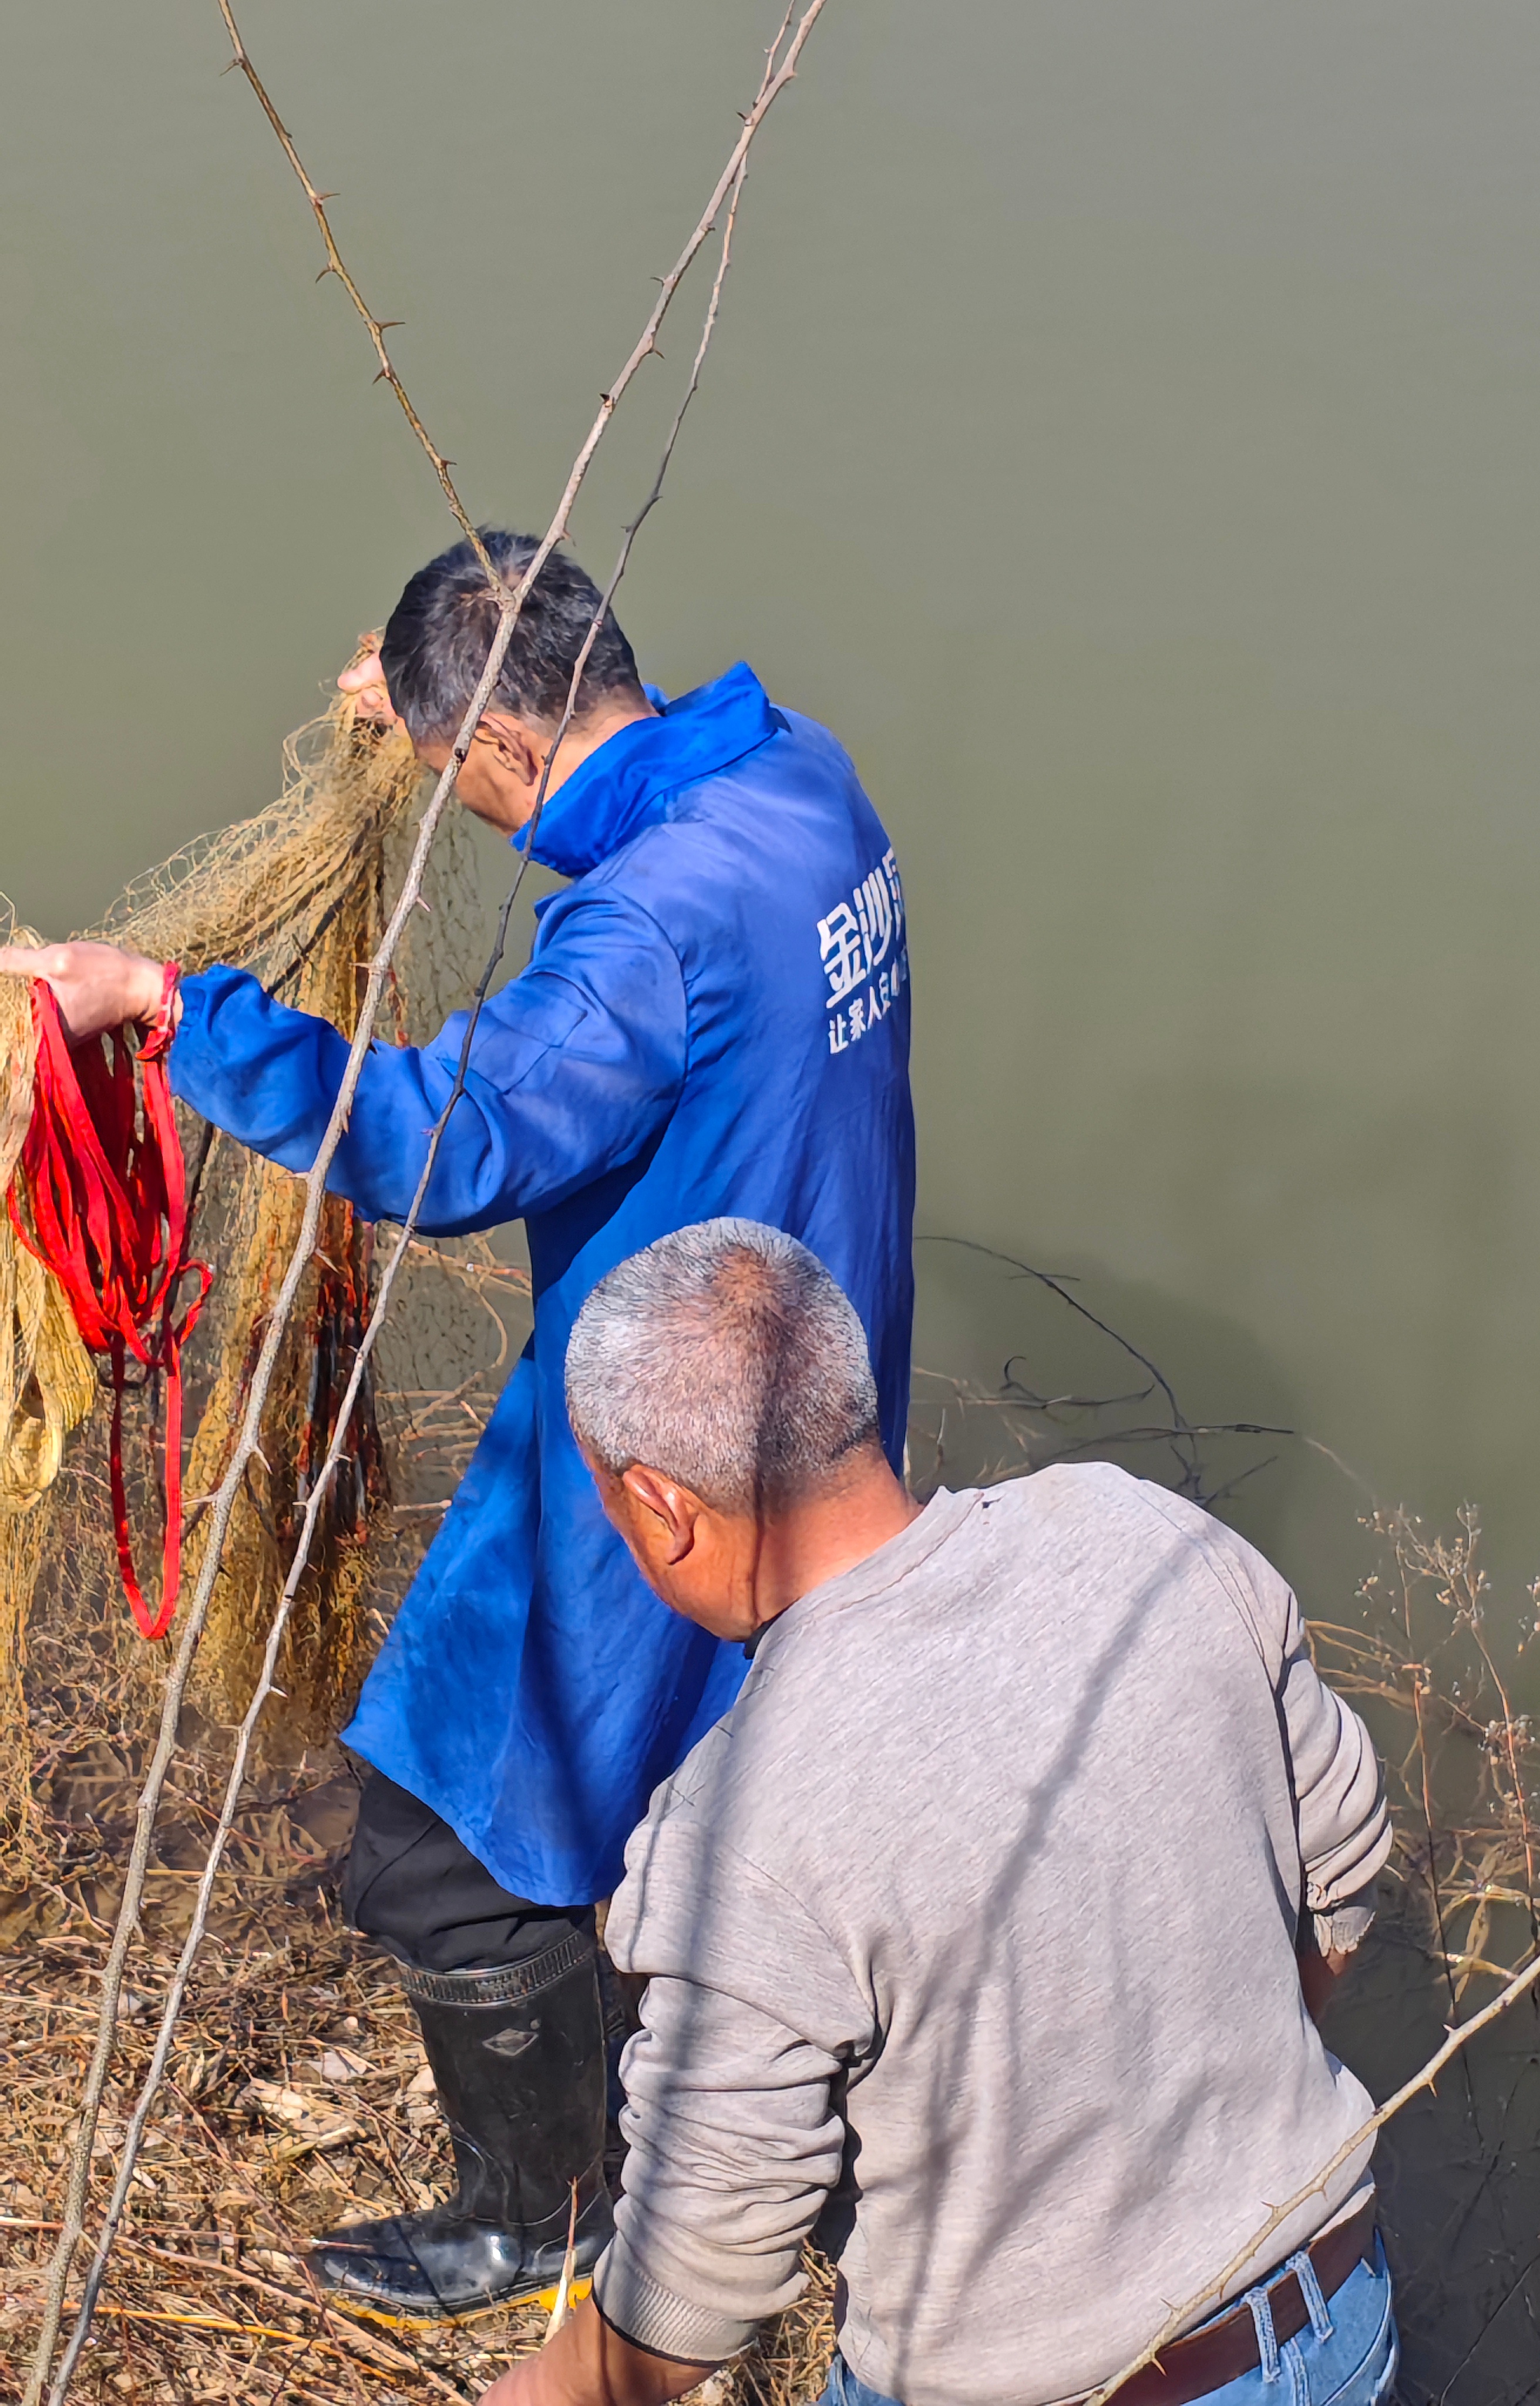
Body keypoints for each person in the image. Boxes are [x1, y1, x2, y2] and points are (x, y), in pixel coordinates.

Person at [0, 539, 915, 2319]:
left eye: (457, 765)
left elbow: (448, 1142)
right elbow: (581, 812)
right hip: (828, 1370)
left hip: (678, 1434)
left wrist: (167, 1004)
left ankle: (554, 2204)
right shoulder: (803, 780)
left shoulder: (646, 925)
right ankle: (756, 2097)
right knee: (729, 1775)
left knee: (444, 1835)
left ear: (501, 736)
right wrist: (427, 713)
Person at [482, 1218, 1397, 2406]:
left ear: (663, 1506)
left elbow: (690, 2294)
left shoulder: (733, 1831)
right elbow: (1343, 1863)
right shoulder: (1146, 1531)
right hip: (1339, 2318)